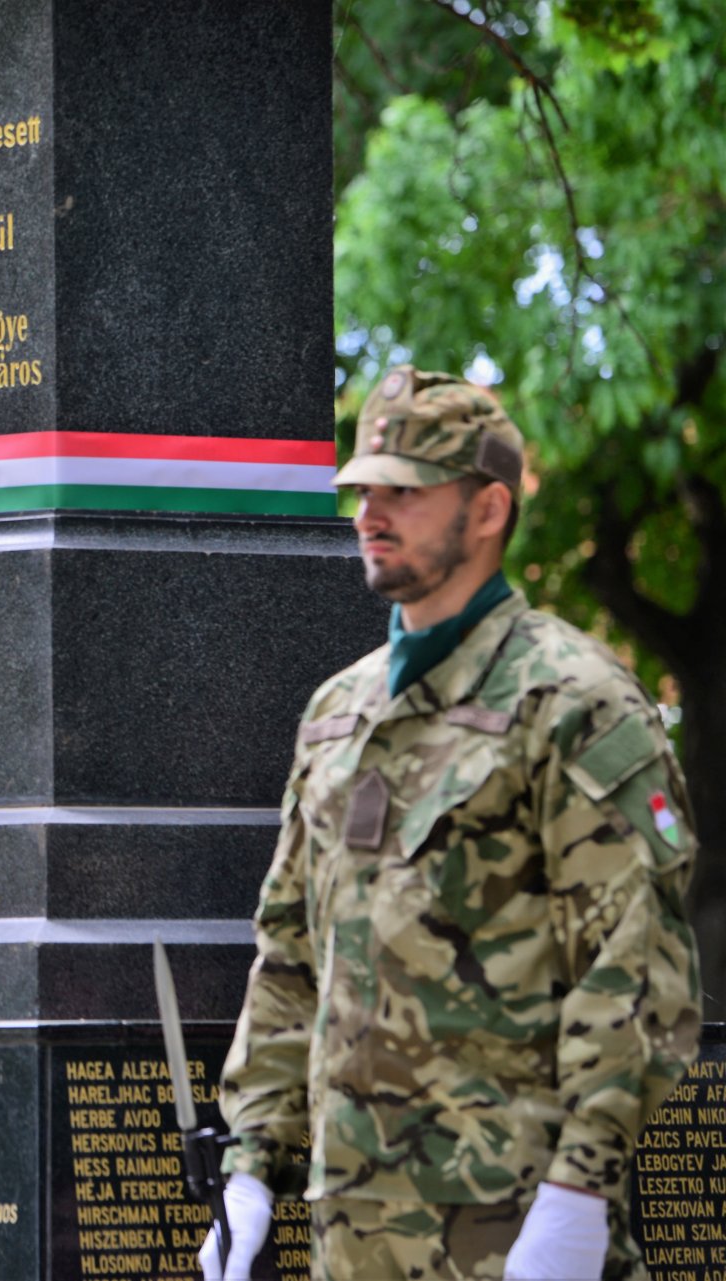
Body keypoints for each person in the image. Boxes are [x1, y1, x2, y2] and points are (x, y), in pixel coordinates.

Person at [204, 368, 701, 1281]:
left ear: (488, 510)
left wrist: (580, 1193)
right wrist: (252, 1167)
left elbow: (635, 966)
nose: (371, 512)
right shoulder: (337, 713)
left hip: (514, 1230)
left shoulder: (575, 700)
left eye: (406, 490)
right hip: (351, 1238)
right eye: (365, 489)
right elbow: (290, 955)